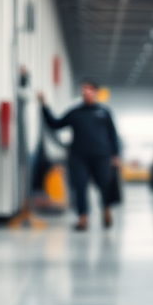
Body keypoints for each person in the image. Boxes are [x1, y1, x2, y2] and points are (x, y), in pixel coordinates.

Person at [38, 81, 122, 231]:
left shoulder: (104, 112)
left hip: (101, 156)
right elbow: (55, 124)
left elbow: (113, 134)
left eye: (89, 90)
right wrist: (44, 105)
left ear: (96, 92)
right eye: (83, 91)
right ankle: (82, 217)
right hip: (79, 156)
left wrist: (116, 155)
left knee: (104, 184)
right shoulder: (75, 113)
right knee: (80, 186)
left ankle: (106, 209)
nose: (86, 93)